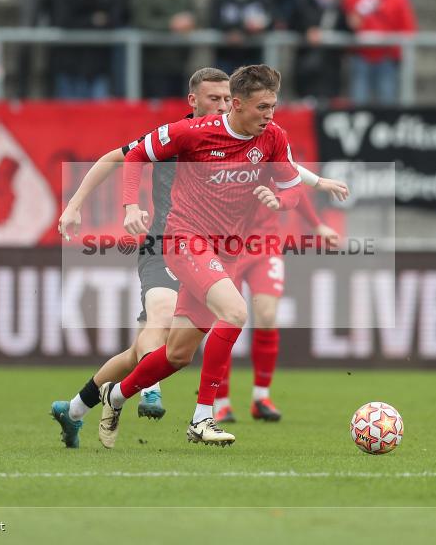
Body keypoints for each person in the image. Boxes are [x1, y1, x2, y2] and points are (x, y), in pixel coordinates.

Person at [52, 67, 348, 447]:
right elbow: (128, 156)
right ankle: (199, 415)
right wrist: (121, 206)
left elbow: (290, 183)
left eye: (272, 106)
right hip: (175, 241)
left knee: (177, 354)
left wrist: (288, 196)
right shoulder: (185, 133)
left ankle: (105, 398)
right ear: (196, 101)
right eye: (216, 98)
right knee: (229, 313)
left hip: (225, 251)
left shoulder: (271, 136)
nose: (268, 113)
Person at [214, 193, 339, 423]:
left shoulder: (274, 157)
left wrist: (318, 225)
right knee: (227, 320)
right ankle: (221, 403)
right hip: (226, 246)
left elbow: (295, 186)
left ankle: (261, 398)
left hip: (265, 245)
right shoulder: (223, 159)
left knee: (268, 315)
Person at [341, 0, 416, 105]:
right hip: (361, 56)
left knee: (386, 102)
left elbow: (407, 26)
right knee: (358, 102)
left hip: (386, 56)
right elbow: (346, 22)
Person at [50, 0, 122, 100]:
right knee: (68, 115)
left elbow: (115, 21)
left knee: (98, 116)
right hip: (70, 65)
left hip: (98, 66)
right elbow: (64, 21)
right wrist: (92, 20)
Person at [129, 0, 196, 99]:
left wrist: (190, 20)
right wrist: (171, 24)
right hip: (154, 64)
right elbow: (142, 22)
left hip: (178, 61)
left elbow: (193, 10)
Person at [292, 0, 347, 101]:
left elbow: (345, 30)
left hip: (331, 67)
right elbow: (292, 23)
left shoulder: (338, 7)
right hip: (308, 67)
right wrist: (307, 31)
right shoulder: (303, 3)